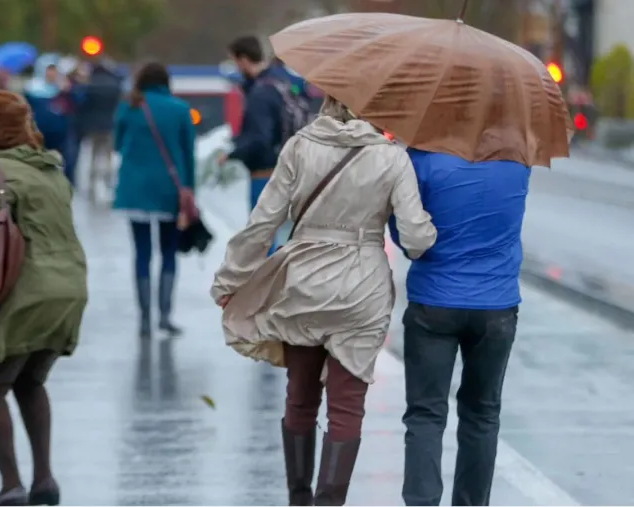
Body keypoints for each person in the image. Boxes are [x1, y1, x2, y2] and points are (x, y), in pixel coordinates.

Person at [211, 97, 437, 506]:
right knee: (346, 408)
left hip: (305, 282)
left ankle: (298, 499)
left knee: (300, 396)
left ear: (331, 100)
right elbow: (416, 239)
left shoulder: (300, 145)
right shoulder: (391, 158)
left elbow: (264, 221)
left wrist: (231, 278)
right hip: (361, 289)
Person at [0, 90, 88, 506]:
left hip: (24, 292)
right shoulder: (51, 169)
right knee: (30, 380)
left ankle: (11, 487)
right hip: (68, 289)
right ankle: (44, 480)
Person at [389, 148, 530, 506]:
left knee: (425, 413)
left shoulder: (422, 159)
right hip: (496, 306)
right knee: (482, 413)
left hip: (434, 301)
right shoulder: (518, 161)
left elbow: (405, 230)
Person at [113, 62, 196, 340]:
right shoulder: (180, 109)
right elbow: (188, 155)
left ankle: (144, 319)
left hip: (134, 190)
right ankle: (165, 315)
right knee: (169, 252)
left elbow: (117, 144)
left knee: (142, 253)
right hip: (169, 191)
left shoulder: (129, 107)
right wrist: (189, 190)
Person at [219, 36, 307, 253]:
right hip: (288, 168)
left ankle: (269, 284)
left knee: (262, 239)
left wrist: (233, 153)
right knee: (281, 236)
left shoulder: (260, 93)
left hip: (265, 174)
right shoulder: (280, 83)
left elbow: (259, 139)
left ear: (244, 59)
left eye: (235, 61)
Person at [78, 59, 123, 200]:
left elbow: (82, 104)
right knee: (108, 155)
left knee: (93, 154)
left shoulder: (90, 86)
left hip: (93, 126)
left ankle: (92, 182)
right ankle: (108, 178)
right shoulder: (115, 85)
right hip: (110, 125)